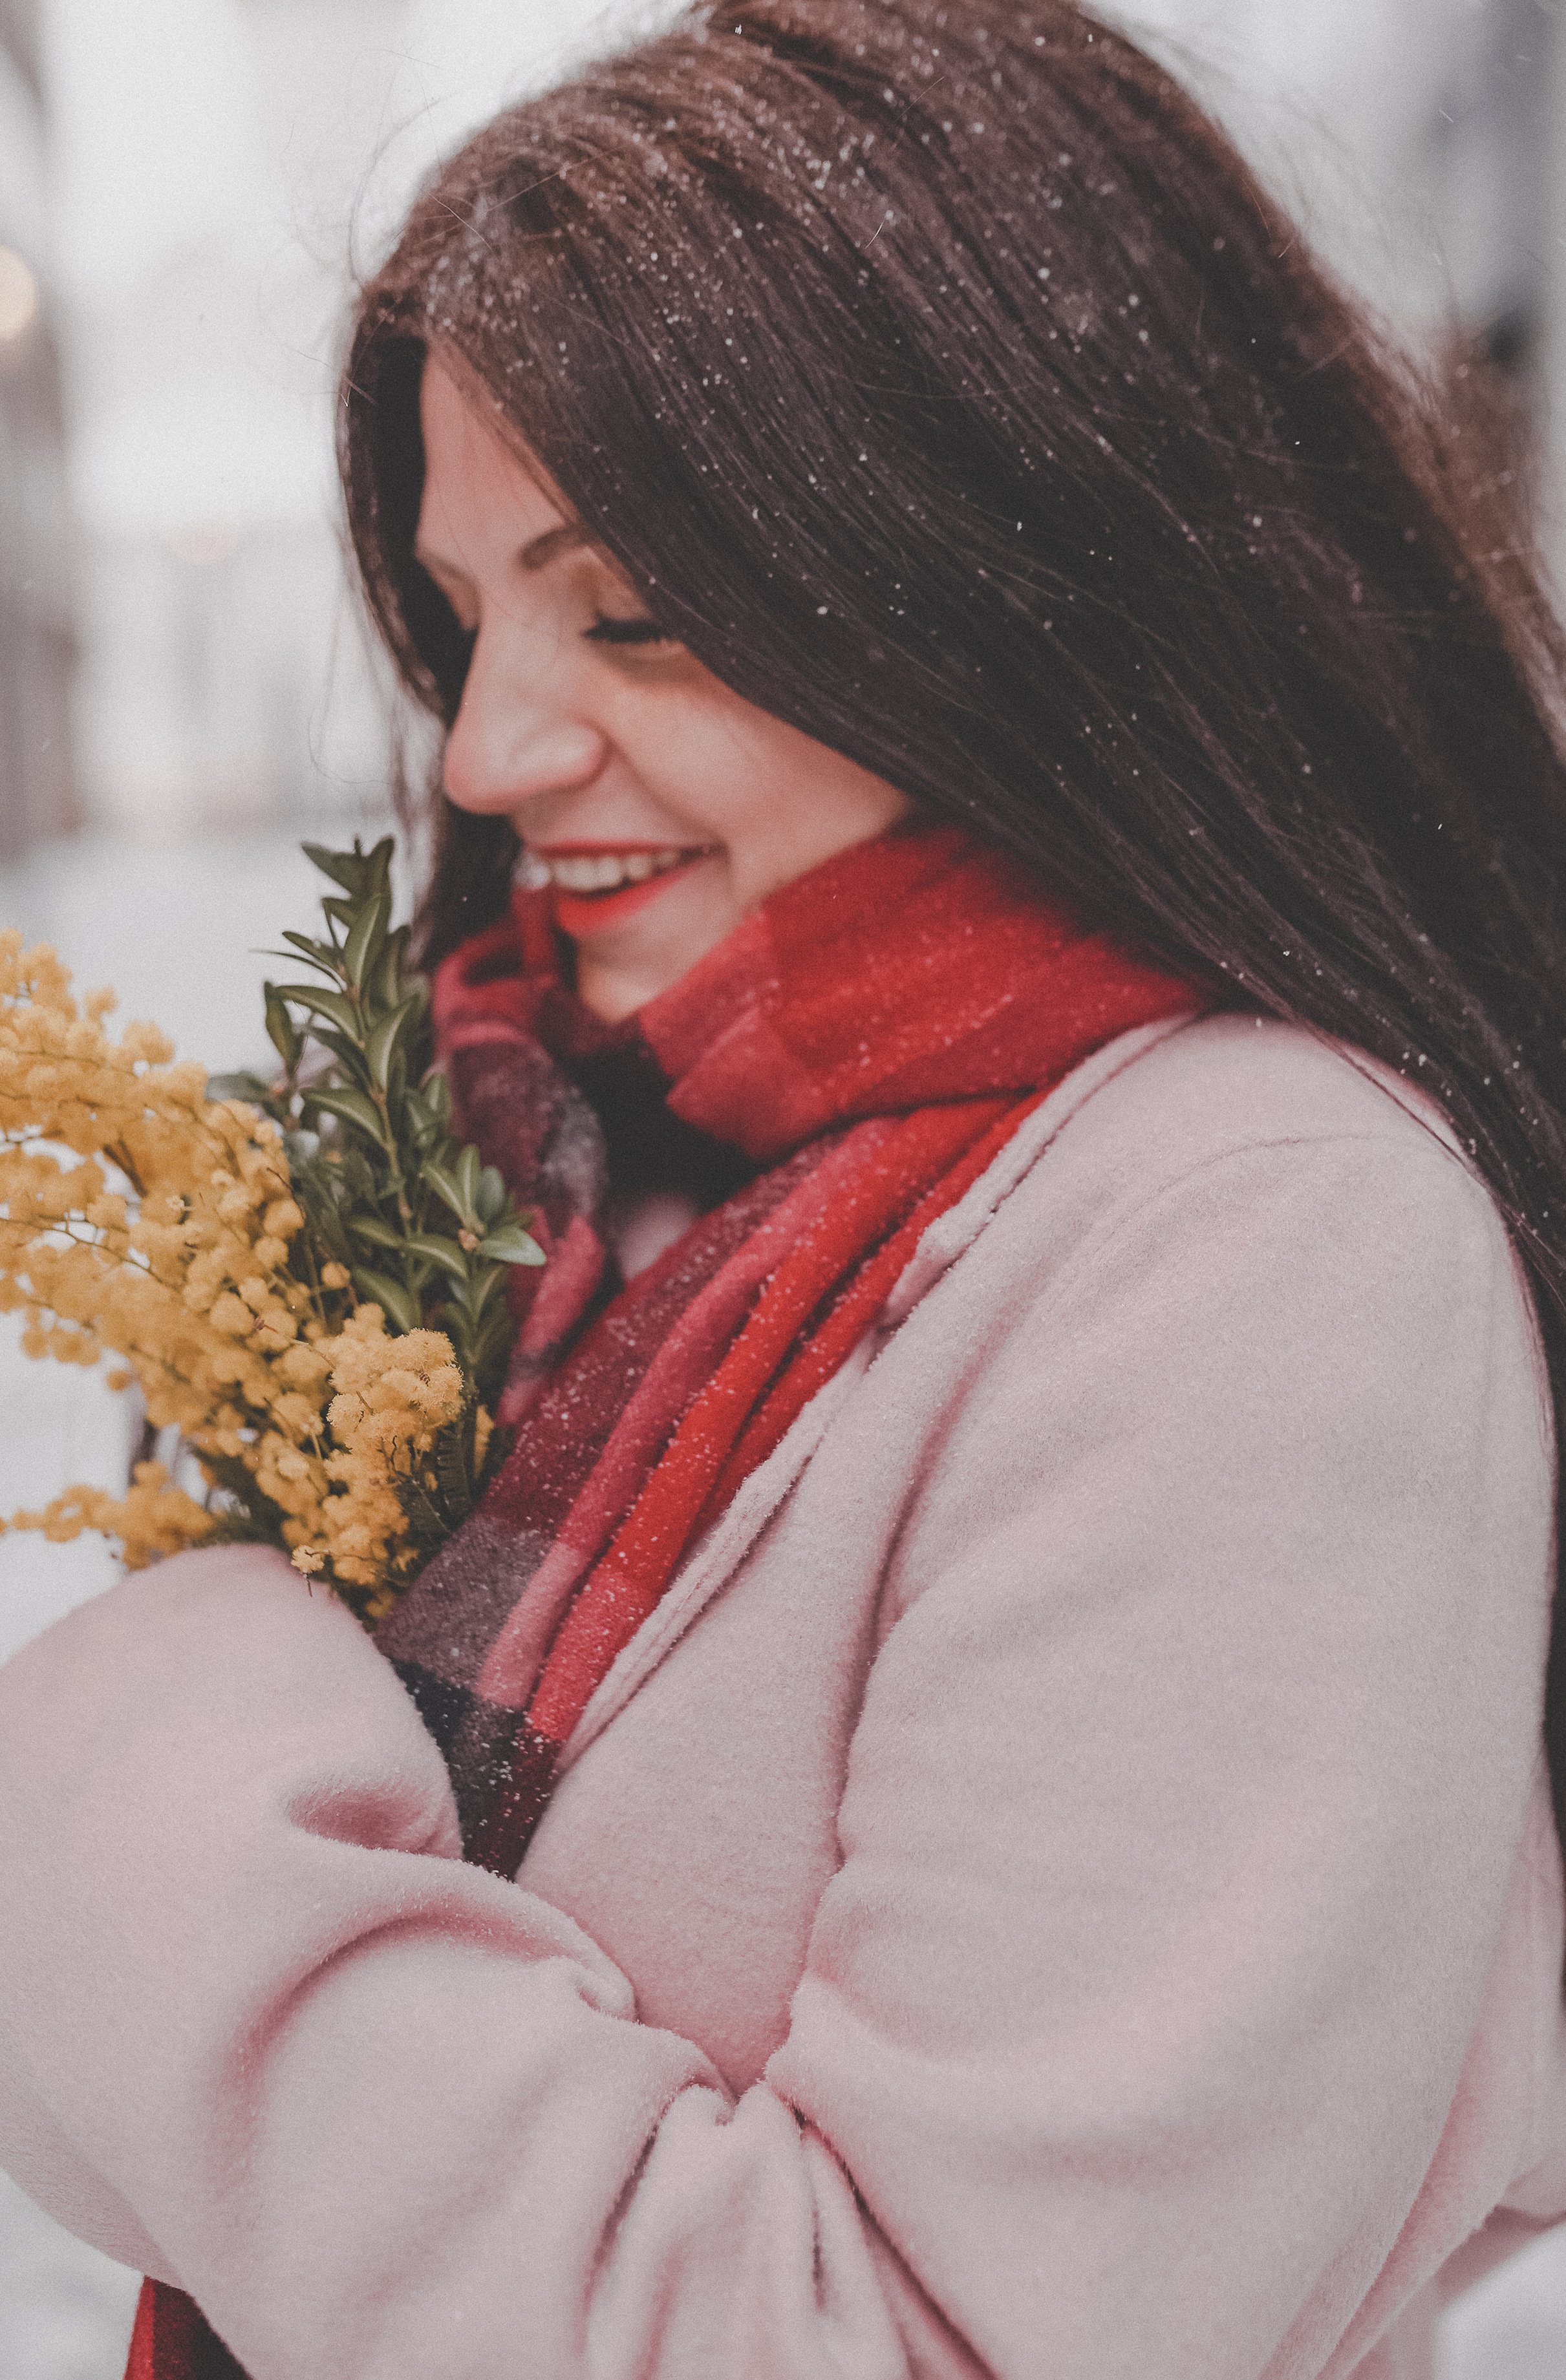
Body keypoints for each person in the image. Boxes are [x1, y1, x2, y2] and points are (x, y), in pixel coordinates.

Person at [3, 3, 1565, 2375]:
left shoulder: (1262, 1243)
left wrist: (154, 1815)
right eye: (464, 616)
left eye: (626, 609)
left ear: (1008, 576)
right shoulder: (545, 1152)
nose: (487, 749)